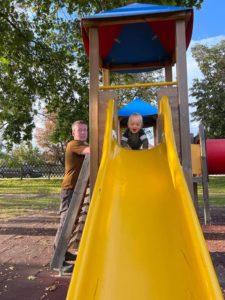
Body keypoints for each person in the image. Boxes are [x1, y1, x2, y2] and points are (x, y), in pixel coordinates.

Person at [54, 120, 90, 274]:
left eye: (85, 130)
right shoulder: (73, 144)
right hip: (69, 189)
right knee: (65, 223)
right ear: (73, 133)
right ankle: (58, 261)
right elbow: (90, 151)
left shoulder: (84, 144)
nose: (82, 132)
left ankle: (63, 252)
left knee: (72, 223)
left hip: (77, 190)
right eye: (79, 130)